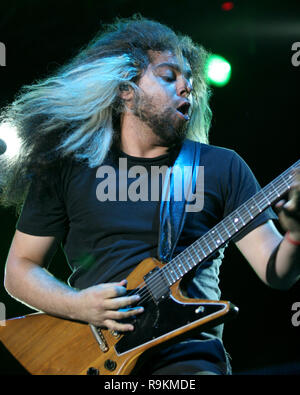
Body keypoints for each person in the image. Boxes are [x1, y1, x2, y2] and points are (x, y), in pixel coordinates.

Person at [1, 16, 300, 375]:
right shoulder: (70, 169)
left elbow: (277, 272)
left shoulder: (222, 167)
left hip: (188, 358)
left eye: (190, 80)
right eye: (169, 76)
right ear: (127, 89)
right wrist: (78, 305)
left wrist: (296, 235)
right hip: (96, 359)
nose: (186, 87)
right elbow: (19, 270)